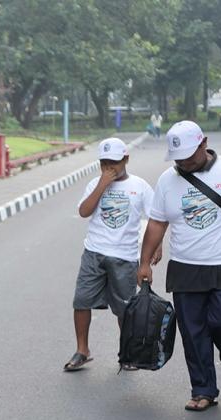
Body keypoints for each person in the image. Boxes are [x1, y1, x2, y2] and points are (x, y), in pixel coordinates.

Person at [139, 120, 221, 411]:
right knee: (193, 332)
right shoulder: (167, 179)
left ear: (204, 144)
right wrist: (144, 262)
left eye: (189, 156)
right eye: (179, 159)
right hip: (186, 267)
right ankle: (203, 389)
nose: (184, 163)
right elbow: (156, 222)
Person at [63, 138, 158, 371]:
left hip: (125, 257)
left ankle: (127, 353)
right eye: (104, 163)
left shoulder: (140, 186)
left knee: (125, 308)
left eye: (114, 162)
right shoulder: (96, 183)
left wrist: (156, 246)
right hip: (94, 252)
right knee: (81, 300)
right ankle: (82, 350)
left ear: (126, 159)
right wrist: (102, 185)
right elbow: (84, 211)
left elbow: (156, 218)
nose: (109, 168)